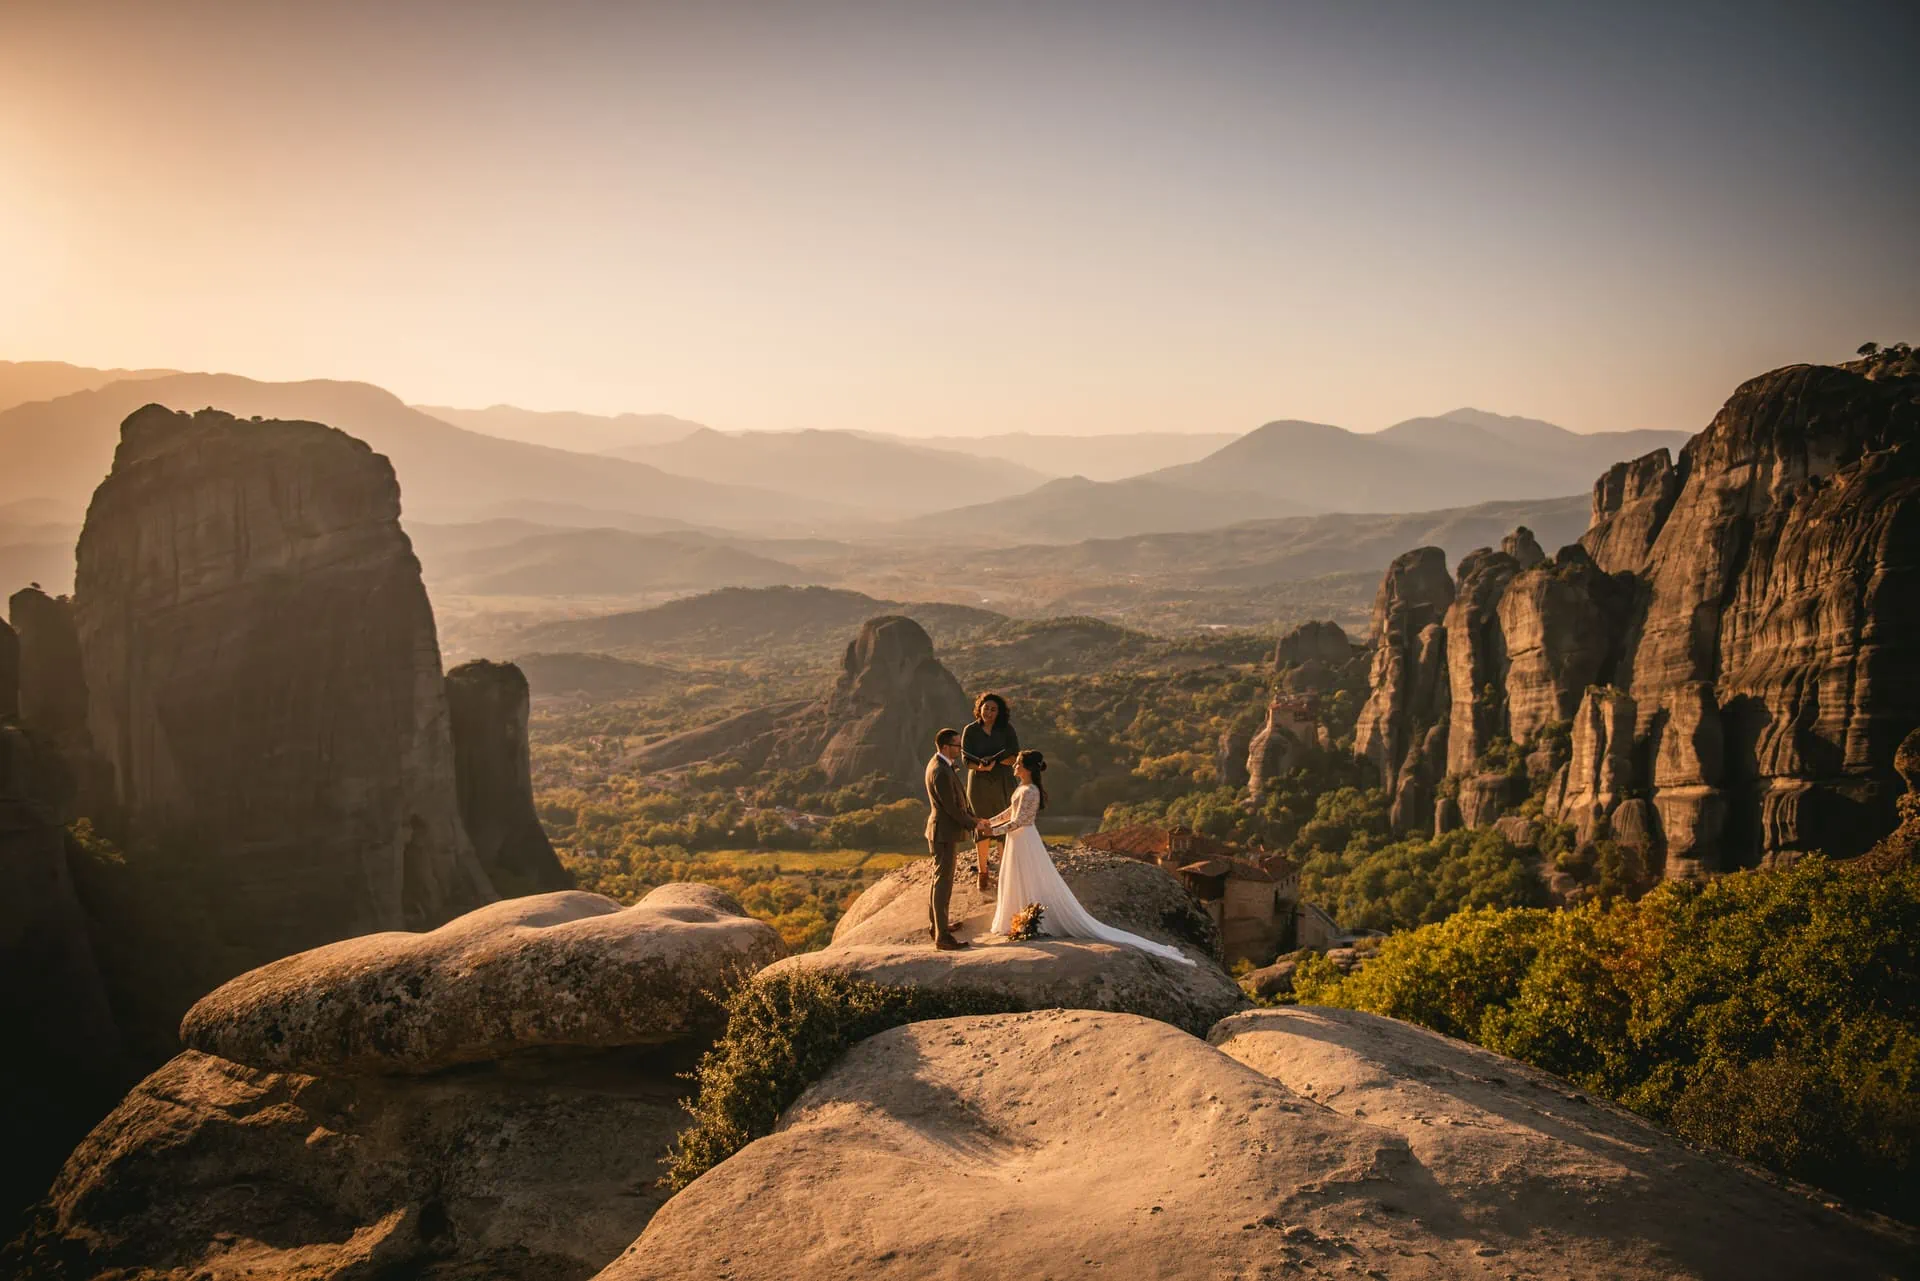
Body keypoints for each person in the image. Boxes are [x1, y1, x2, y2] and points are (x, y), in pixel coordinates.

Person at [984, 749, 1195, 966]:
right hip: (1017, 838)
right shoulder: (1022, 787)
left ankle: (1028, 918)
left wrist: (993, 831)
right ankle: (1015, 916)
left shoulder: (1031, 791)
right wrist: (988, 822)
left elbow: (1021, 821)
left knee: (1028, 875)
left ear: (1027, 768)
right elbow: (1011, 811)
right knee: (1016, 875)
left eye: (1018, 763)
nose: (1014, 766)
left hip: (1025, 838)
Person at [922, 727, 985, 950]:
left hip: (942, 831)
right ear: (945, 746)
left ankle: (937, 926)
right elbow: (951, 807)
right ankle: (942, 937)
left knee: (939, 879)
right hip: (944, 832)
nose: (960, 749)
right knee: (943, 882)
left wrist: (973, 818)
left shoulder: (940, 765)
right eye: (957, 745)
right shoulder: (940, 770)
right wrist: (974, 823)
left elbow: (957, 803)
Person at [961, 692, 1018, 892]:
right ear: (980, 708)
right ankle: (983, 872)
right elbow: (966, 760)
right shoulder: (970, 730)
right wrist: (981, 766)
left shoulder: (1007, 729)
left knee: (1003, 825)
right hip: (979, 783)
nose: (989, 712)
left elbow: (1015, 756)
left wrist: (998, 761)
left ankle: (1004, 873)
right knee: (982, 825)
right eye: (986, 708)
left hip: (1003, 781)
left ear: (999, 712)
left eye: (994, 709)